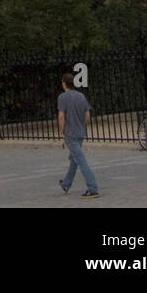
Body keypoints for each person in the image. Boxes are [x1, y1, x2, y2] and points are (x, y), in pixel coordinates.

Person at [58, 69, 99, 197]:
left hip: (70, 133)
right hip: (81, 132)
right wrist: (83, 125)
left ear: (64, 83)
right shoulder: (81, 96)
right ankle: (66, 183)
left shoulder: (62, 97)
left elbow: (61, 116)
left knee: (80, 160)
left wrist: (62, 131)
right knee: (75, 159)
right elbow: (87, 115)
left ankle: (93, 188)